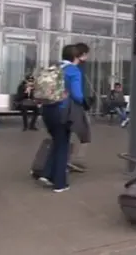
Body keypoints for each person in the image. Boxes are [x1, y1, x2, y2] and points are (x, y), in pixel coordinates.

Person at [39, 44, 87, 193]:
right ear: (79, 56)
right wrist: (85, 103)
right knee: (63, 146)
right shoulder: (73, 71)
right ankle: (60, 183)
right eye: (85, 54)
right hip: (63, 112)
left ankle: (47, 174)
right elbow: (78, 95)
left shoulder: (54, 67)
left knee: (57, 141)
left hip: (47, 110)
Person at [68, 42, 92, 172]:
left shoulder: (64, 67)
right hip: (76, 106)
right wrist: (84, 102)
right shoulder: (77, 69)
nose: (87, 57)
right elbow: (78, 92)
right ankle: (74, 160)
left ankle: (72, 159)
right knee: (84, 133)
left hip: (66, 106)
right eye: (86, 54)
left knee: (72, 133)